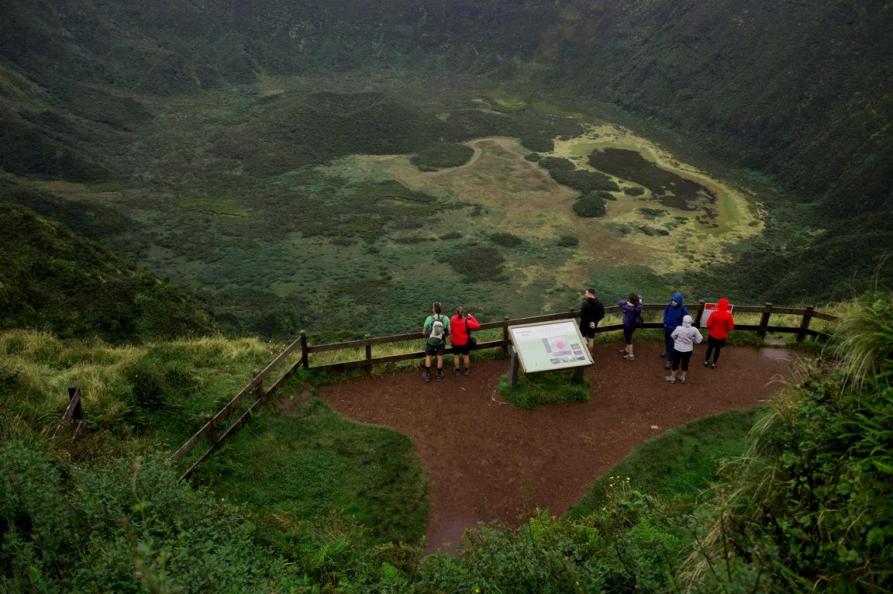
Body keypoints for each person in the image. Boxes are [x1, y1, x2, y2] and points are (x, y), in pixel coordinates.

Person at [667, 314, 703, 384]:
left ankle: (672, 378)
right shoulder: (694, 329)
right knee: (685, 363)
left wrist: (676, 340)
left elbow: (672, 335)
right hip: (688, 350)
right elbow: (699, 340)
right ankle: (682, 378)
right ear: (691, 322)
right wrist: (693, 340)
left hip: (677, 348)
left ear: (683, 321)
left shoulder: (679, 328)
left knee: (675, 363)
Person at [422, 302, 451, 382]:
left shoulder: (429, 318)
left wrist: (428, 333)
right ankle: (439, 374)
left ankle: (427, 374)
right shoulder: (446, 318)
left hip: (430, 342)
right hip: (441, 342)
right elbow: (449, 332)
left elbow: (424, 332)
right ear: (441, 309)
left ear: (433, 309)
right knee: (440, 357)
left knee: (428, 357)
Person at [661, 292, 689, 369]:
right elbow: (665, 314)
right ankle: (667, 351)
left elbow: (686, 319)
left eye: (675, 301)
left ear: (679, 302)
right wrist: (665, 322)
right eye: (672, 300)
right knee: (667, 341)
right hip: (667, 328)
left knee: (672, 344)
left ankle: (669, 360)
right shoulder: (669, 306)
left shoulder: (683, 309)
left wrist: (682, 329)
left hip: (676, 331)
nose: (673, 302)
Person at [449, 306, 480, 376]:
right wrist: (471, 317)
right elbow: (477, 326)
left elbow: (452, 322)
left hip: (455, 342)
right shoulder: (466, 321)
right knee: (466, 356)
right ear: (463, 313)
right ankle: (466, 370)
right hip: (464, 342)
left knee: (456, 356)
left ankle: (457, 371)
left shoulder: (452, 319)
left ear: (456, 312)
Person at [704, 297, 734, 369]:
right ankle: (714, 363)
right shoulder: (729, 315)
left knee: (710, 348)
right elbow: (730, 327)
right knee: (717, 350)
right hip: (722, 336)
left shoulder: (714, 313)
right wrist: (725, 330)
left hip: (712, 335)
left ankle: (706, 361)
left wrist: (712, 328)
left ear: (719, 305)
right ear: (727, 306)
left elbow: (709, 324)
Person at [617, 293, 643, 360]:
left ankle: (631, 355)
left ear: (630, 301)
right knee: (630, 336)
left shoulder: (628, 307)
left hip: (628, 325)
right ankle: (627, 350)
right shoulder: (638, 307)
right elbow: (639, 303)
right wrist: (638, 302)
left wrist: (627, 302)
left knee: (628, 339)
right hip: (634, 324)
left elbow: (619, 303)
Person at [579, 288, 605, 353]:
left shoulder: (585, 303)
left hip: (584, 324)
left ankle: (585, 354)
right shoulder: (600, 304)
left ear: (590, 294)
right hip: (593, 325)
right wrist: (594, 322)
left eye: (586, 293)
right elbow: (601, 315)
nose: (585, 294)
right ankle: (590, 354)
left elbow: (582, 315)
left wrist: (588, 322)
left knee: (583, 337)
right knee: (591, 338)